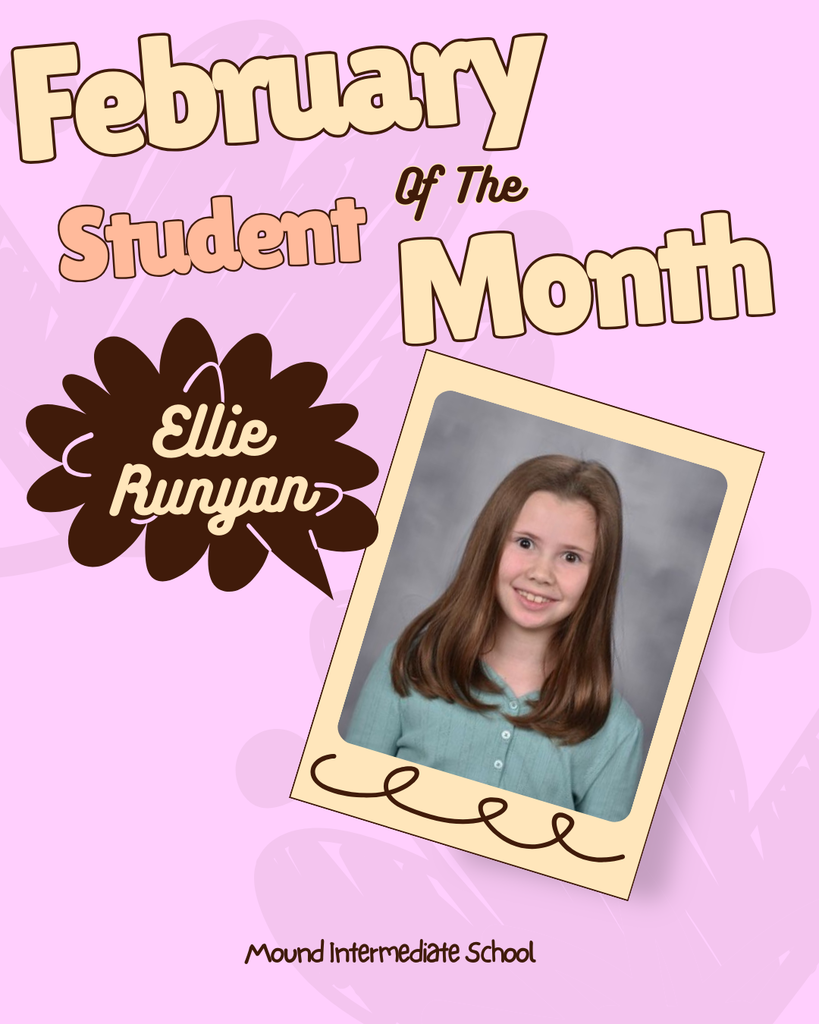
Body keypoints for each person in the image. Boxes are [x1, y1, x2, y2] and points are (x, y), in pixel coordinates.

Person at [345, 455, 643, 822]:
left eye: (570, 556)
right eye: (525, 543)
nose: (541, 574)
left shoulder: (616, 732)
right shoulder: (408, 667)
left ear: (597, 576)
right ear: (491, 543)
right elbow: (346, 811)